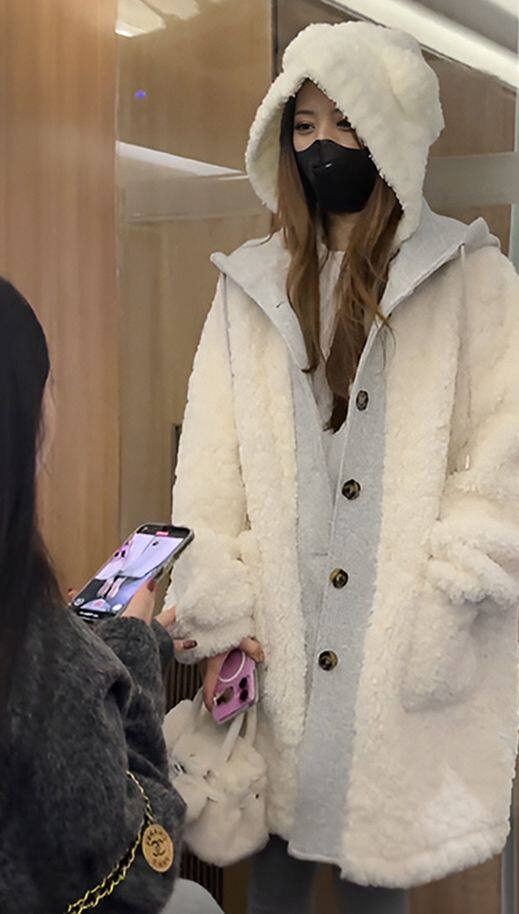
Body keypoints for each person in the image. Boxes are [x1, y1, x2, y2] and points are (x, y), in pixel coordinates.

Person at [168, 20, 519, 914]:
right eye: (303, 125)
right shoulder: (250, 289)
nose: (322, 146)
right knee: (270, 878)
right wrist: (221, 604)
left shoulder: (471, 282)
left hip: (395, 666)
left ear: (389, 132)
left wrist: (438, 607)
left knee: (373, 887)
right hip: (275, 656)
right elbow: (208, 471)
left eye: (345, 122)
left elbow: (518, 478)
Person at [0, 277, 223, 914]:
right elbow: (138, 864)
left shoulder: (56, 650)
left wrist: (114, 645)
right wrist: (125, 651)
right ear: (29, 421)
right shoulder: (53, 666)